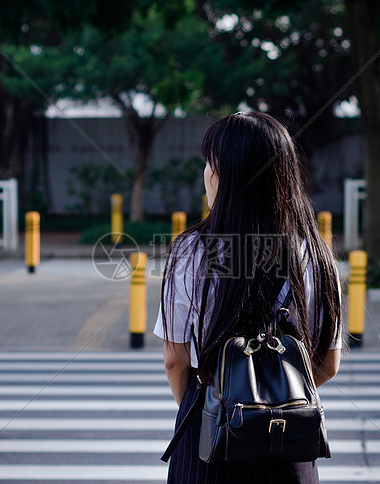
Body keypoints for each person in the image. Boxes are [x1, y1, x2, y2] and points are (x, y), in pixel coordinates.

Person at [154, 111, 343, 483]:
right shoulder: (316, 254)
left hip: (207, 443)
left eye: (210, 165)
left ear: (228, 177)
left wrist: (222, 411)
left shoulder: (191, 251)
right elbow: (328, 364)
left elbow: (176, 361)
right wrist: (269, 404)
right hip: (288, 438)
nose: (205, 175)